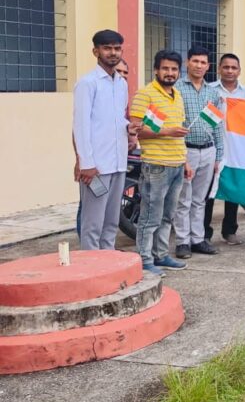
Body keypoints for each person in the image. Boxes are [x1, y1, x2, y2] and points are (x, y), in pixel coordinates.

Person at [130, 50, 191, 277]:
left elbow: (180, 134)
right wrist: (168, 132)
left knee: (167, 216)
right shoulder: (145, 95)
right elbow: (137, 131)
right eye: (165, 68)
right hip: (156, 165)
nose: (169, 73)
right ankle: (145, 260)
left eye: (174, 69)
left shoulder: (178, 96)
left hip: (176, 164)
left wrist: (185, 162)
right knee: (150, 217)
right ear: (156, 70)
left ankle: (161, 254)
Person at [73, 30, 132, 250]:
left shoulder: (121, 83)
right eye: (107, 48)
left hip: (118, 164)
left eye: (117, 48)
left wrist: (130, 128)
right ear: (95, 51)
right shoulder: (88, 83)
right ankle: (91, 268)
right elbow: (80, 125)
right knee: (92, 224)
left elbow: (117, 119)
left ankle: (108, 264)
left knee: (111, 223)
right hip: (96, 167)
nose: (112, 52)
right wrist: (86, 163)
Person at [172, 47, 224, 259]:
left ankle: (198, 239)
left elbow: (217, 125)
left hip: (208, 150)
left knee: (200, 200)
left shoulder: (213, 92)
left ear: (208, 66)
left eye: (203, 62)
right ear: (187, 63)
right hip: (186, 151)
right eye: (195, 61)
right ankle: (182, 242)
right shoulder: (176, 89)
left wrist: (219, 155)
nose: (199, 66)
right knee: (183, 199)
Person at [203, 53, 245, 245]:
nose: (230, 71)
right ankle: (205, 233)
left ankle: (229, 231)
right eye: (226, 67)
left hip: (236, 148)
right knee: (208, 191)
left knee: (233, 190)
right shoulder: (210, 91)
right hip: (213, 146)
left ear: (239, 71)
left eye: (234, 68)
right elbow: (206, 121)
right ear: (219, 69)